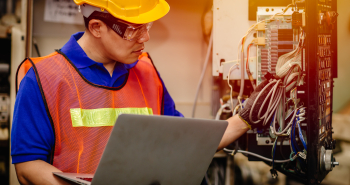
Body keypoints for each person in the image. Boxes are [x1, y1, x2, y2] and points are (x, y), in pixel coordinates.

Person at [11, 0, 256, 184]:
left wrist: (247, 116)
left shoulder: (146, 72)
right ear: (96, 26)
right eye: (133, 29)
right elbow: (27, 167)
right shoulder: (43, 77)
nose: (145, 37)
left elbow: (184, 142)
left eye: (147, 26)